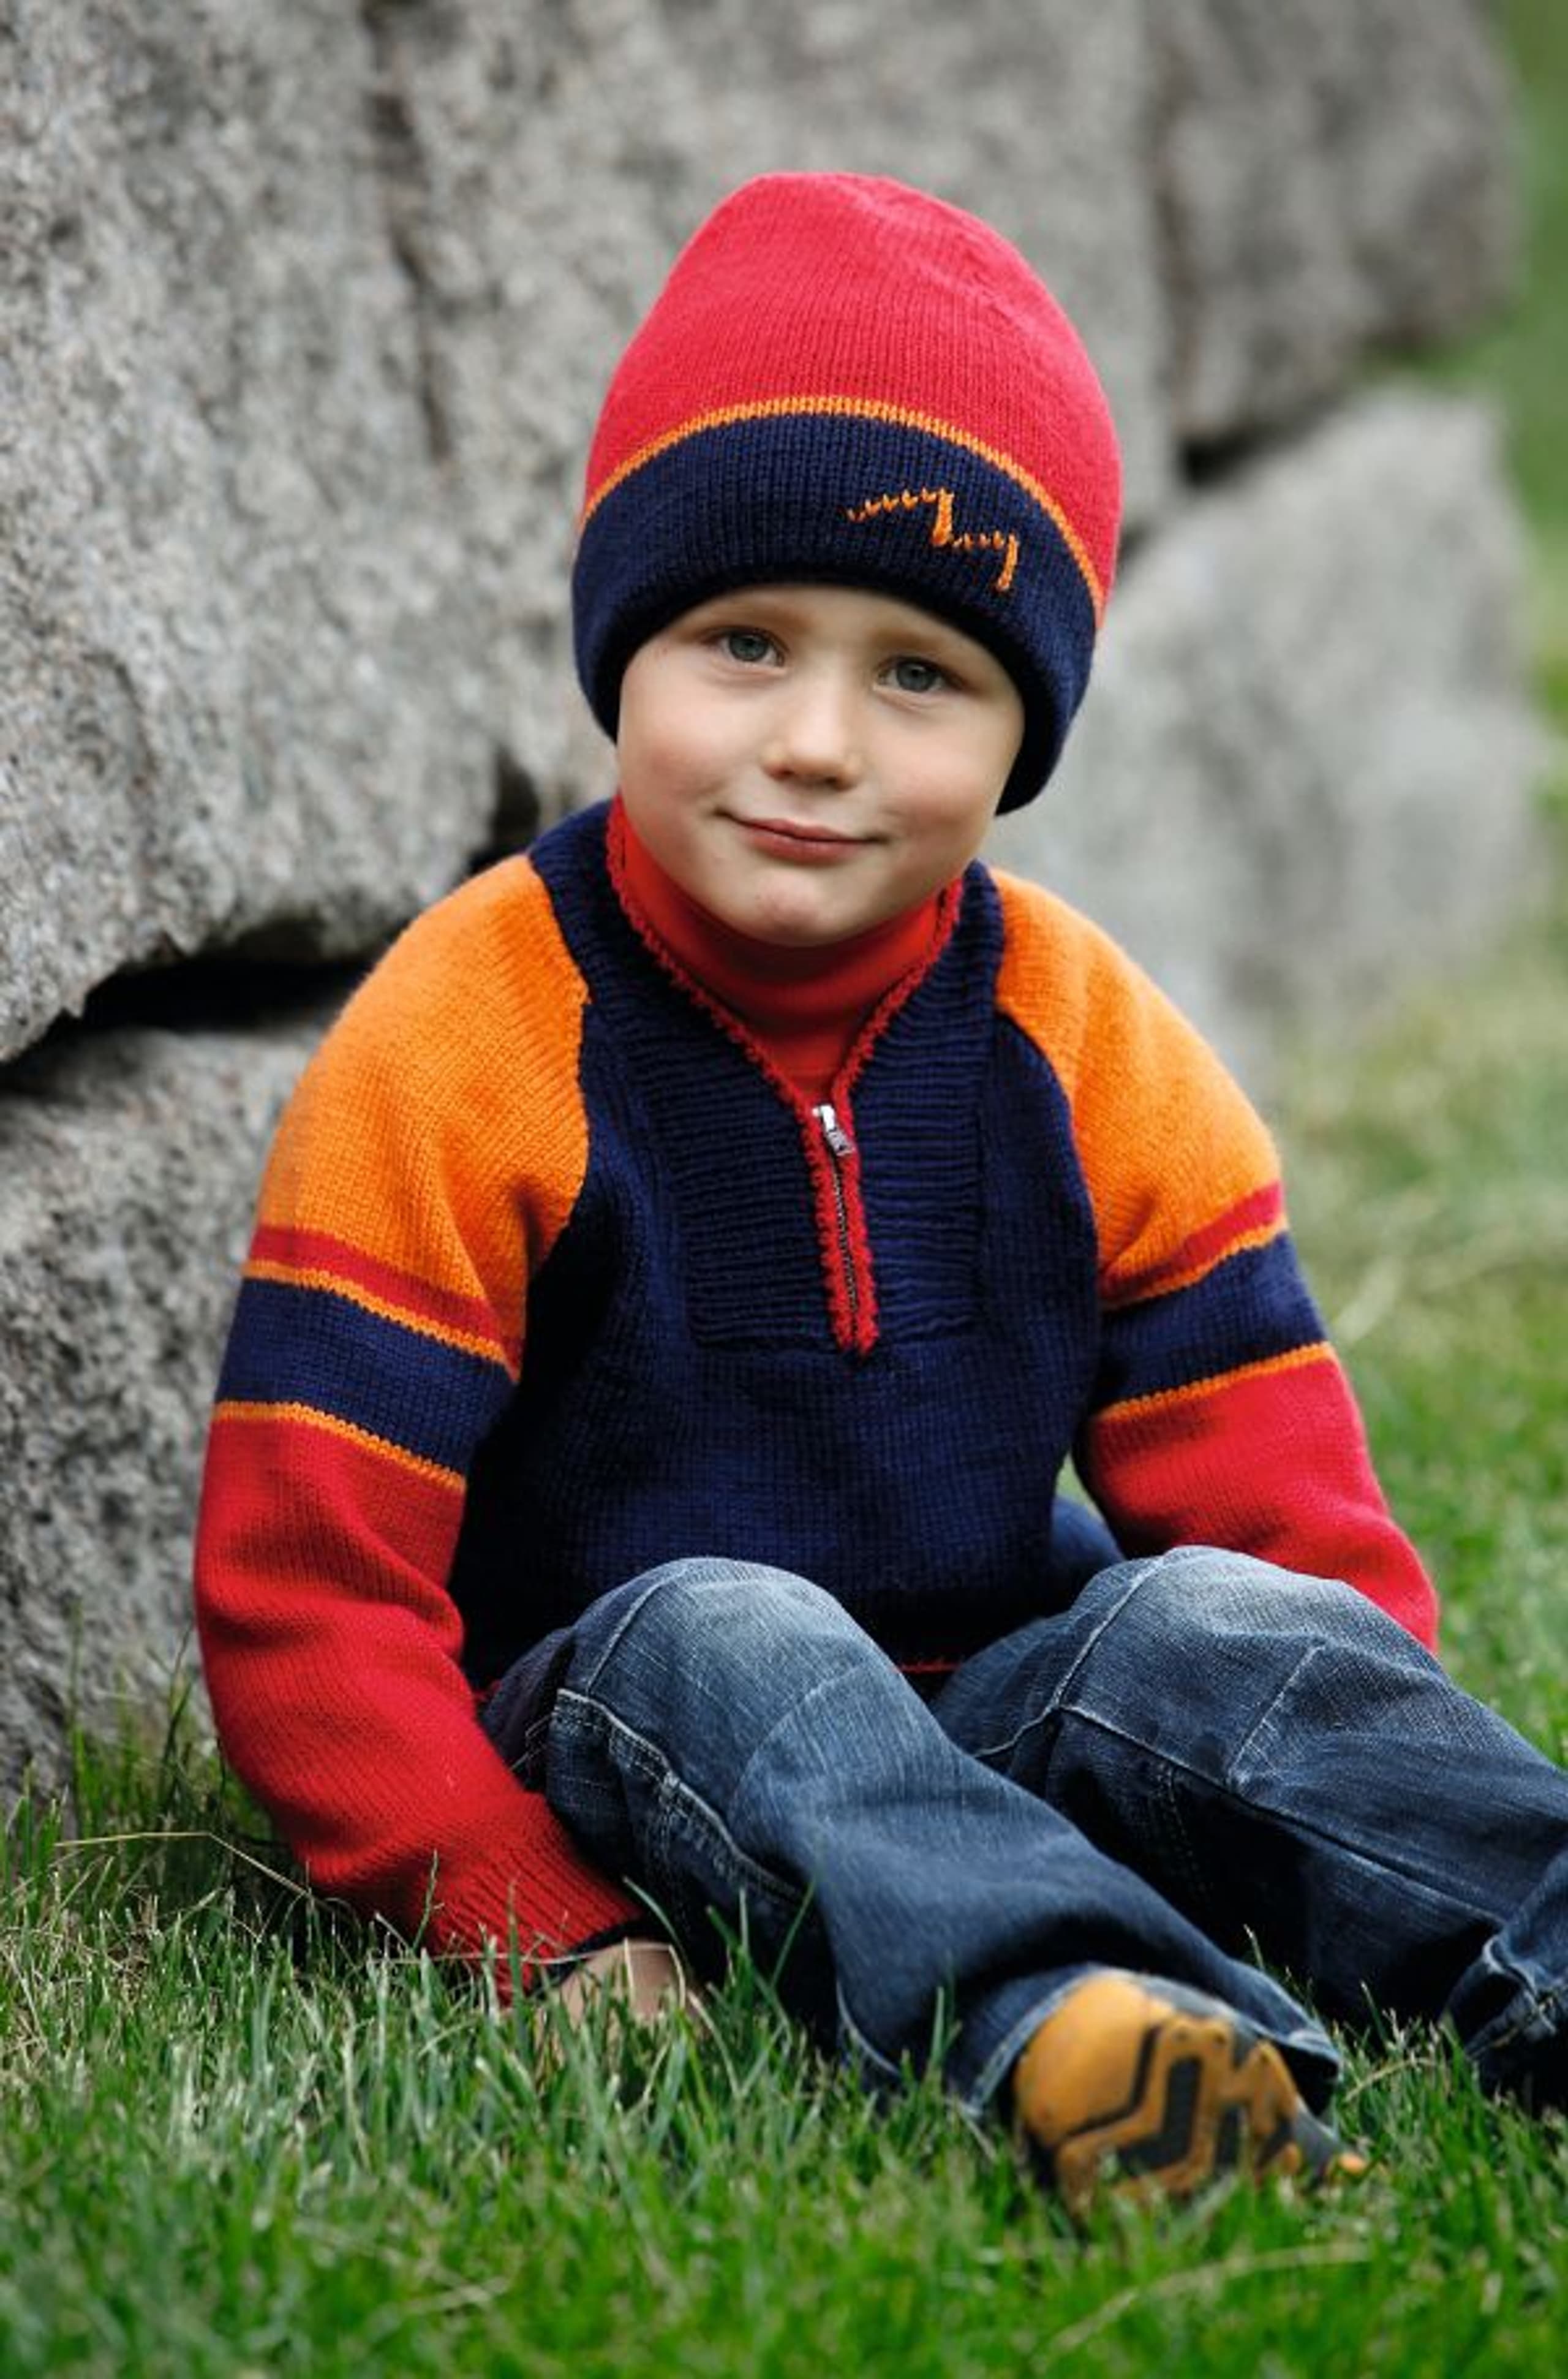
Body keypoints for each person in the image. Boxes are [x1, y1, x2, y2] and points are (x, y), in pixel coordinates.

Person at [194, 171, 1568, 2217]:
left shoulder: (1087, 1043)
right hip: (625, 1735)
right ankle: (1102, 2036)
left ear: (1025, 728)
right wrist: (523, 1914)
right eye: (744, 642)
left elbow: (1289, 1549)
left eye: (920, 673)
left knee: (1192, 1616)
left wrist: (1305, 1787)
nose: (818, 741)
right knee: (726, 1619)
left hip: (986, 1709)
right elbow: (307, 1587)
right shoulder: (467, 1036)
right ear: (624, 646)